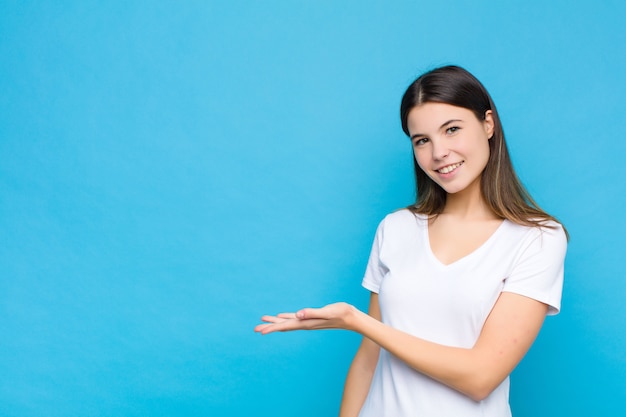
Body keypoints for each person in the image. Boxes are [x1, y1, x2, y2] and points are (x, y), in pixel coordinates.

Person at [254, 65, 567, 417]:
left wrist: (357, 321)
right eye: (422, 140)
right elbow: (368, 360)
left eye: (452, 130)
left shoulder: (537, 238)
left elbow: (481, 376)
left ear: (488, 124)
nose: (438, 153)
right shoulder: (396, 228)